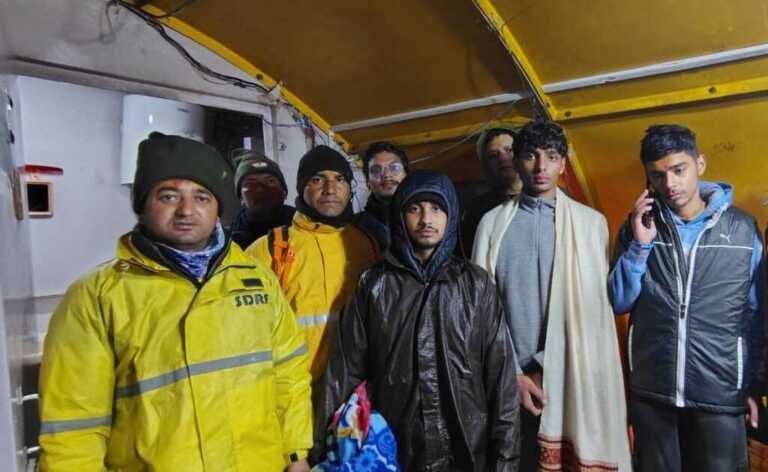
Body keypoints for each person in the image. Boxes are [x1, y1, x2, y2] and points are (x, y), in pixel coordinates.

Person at [38, 132, 312, 471]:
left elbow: (289, 375)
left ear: (218, 208)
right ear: (143, 205)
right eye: (168, 196)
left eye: (202, 197)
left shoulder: (256, 278)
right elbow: (73, 425)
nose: (186, 210)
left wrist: (296, 453)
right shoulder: (97, 296)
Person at [321, 170, 519, 471]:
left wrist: (505, 462)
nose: (426, 219)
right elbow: (344, 373)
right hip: (393, 450)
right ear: (400, 217)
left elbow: (501, 381)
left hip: (467, 451)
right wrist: (325, 452)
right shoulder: (373, 285)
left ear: (451, 216)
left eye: (436, 208)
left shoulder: (475, 285)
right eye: (415, 208)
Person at [473, 120, 631, 471]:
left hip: (572, 372)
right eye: (531, 156)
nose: (541, 167)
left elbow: (593, 313)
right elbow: (481, 312)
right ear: (517, 161)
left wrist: (545, 367)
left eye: (552, 156)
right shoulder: (491, 224)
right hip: (508, 378)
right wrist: (514, 374)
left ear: (563, 163)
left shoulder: (590, 224)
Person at [609, 124, 764, 472]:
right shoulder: (638, 226)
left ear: (700, 164)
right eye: (658, 175)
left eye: (679, 170)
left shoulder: (743, 229)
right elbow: (619, 301)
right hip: (653, 389)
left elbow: (756, 314)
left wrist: (754, 385)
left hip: (720, 388)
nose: (670, 184)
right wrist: (640, 245)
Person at [246, 145, 379, 384]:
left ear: (350, 188)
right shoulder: (269, 249)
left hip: (354, 391)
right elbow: (248, 334)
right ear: (301, 188)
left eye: (339, 179)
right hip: (295, 390)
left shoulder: (367, 245)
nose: (330, 189)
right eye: (318, 179)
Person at [460, 125, 523, 257]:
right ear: (487, 165)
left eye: (509, 150)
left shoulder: (549, 198)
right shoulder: (476, 211)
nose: (503, 158)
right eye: (494, 155)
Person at [229, 150, 295, 249]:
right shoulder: (229, 243)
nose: (260, 189)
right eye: (250, 184)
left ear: (284, 192)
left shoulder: (305, 227)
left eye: (270, 181)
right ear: (241, 197)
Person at [358, 141, 410, 250]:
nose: (386, 175)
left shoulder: (426, 217)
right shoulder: (356, 226)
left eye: (394, 168)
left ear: (407, 175)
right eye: (376, 170)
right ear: (368, 182)